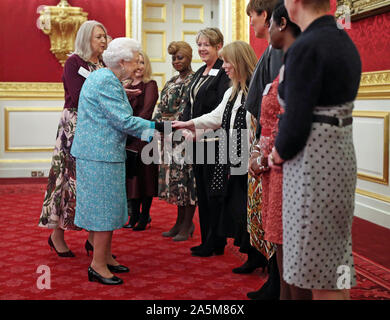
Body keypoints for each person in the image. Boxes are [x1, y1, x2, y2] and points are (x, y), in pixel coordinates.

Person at [268, 0, 361, 300]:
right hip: (338, 153)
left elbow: (296, 121)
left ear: (295, 3)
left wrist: (276, 153)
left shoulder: (307, 45)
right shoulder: (341, 37)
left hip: (314, 161)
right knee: (335, 258)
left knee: (319, 269)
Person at [70, 37, 167, 285]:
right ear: (122, 62)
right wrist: (159, 128)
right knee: (104, 210)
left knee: (108, 208)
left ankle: (105, 257)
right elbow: (124, 121)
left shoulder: (103, 77)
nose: (138, 65)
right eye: (135, 60)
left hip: (98, 152)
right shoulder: (106, 81)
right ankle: (98, 265)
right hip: (100, 154)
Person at [173, 41, 269, 272]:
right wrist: (189, 123)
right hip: (234, 160)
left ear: (239, 62)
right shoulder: (232, 91)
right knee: (239, 210)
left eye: (227, 61)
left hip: (250, 162)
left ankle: (259, 257)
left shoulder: (256, 92)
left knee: (249, 211)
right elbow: (215, 117)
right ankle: (252, 256)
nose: (224, 66)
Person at [249, 0, 312, 300]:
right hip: (274, 172)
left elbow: (294, 123)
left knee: (294, 259)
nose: (264, 29)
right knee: (282, 251)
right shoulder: (281, 61)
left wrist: (265, 156)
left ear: (282, 25)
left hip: (289, 168)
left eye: (270, 23)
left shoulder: (301, 63)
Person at [38, 20, 107, 257]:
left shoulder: (104, 63)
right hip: (75, 127)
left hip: (98, 126)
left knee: (91, 182)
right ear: (86, 38)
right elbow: (79, 97)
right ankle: (56, 234)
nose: (104, 40)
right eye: (99, 36)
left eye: (105, 36)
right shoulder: (74, 61)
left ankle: (92, 239)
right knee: (67, 179)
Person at [245, 0, 284, 300]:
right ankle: (275, 281)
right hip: (267, 145)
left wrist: (263, 149)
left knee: (275, 220)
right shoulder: (269, 51)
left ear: (268, 16)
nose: (252, 24)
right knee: (268, 218)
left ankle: (278, 284)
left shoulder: (280, 51)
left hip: (276, 148)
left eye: (253, 17)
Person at [180, 28, 231, 257]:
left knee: (214, 192)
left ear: (219, 45)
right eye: (199, 44)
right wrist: (183, 127)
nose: (202, 48)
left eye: (206, 45)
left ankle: (215, 240)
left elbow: (221, 109)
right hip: (196, 141)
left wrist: (199, 130)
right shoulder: (200, 71)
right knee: (201, 190)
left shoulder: (224, 72)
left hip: (215, 141)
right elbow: (190, 104)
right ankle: (207, 238)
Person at [153, 41, 197, 241]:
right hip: (168, 137)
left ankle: (188, 224)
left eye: (180, 57)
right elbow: (161, 107)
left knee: (187, 181)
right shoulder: (171, 81)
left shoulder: (194, 80)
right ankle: (179, 222)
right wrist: (156, 127)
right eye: (173, 58)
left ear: (189, 57)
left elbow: (186, 110)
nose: (176, 61)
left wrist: (171, 126)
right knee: (175, 181)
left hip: (184, 136)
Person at [122, 51, 159, 231]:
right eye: (136, 62)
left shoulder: (150, 84)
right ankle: (133, 215)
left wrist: (131, 129)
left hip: (144, 137)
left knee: (145, 179)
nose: (139, 66)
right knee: (132, 179)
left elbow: (146, 111)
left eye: (142, 62)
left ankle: (145, 216)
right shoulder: (125, 85)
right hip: (128, 137)